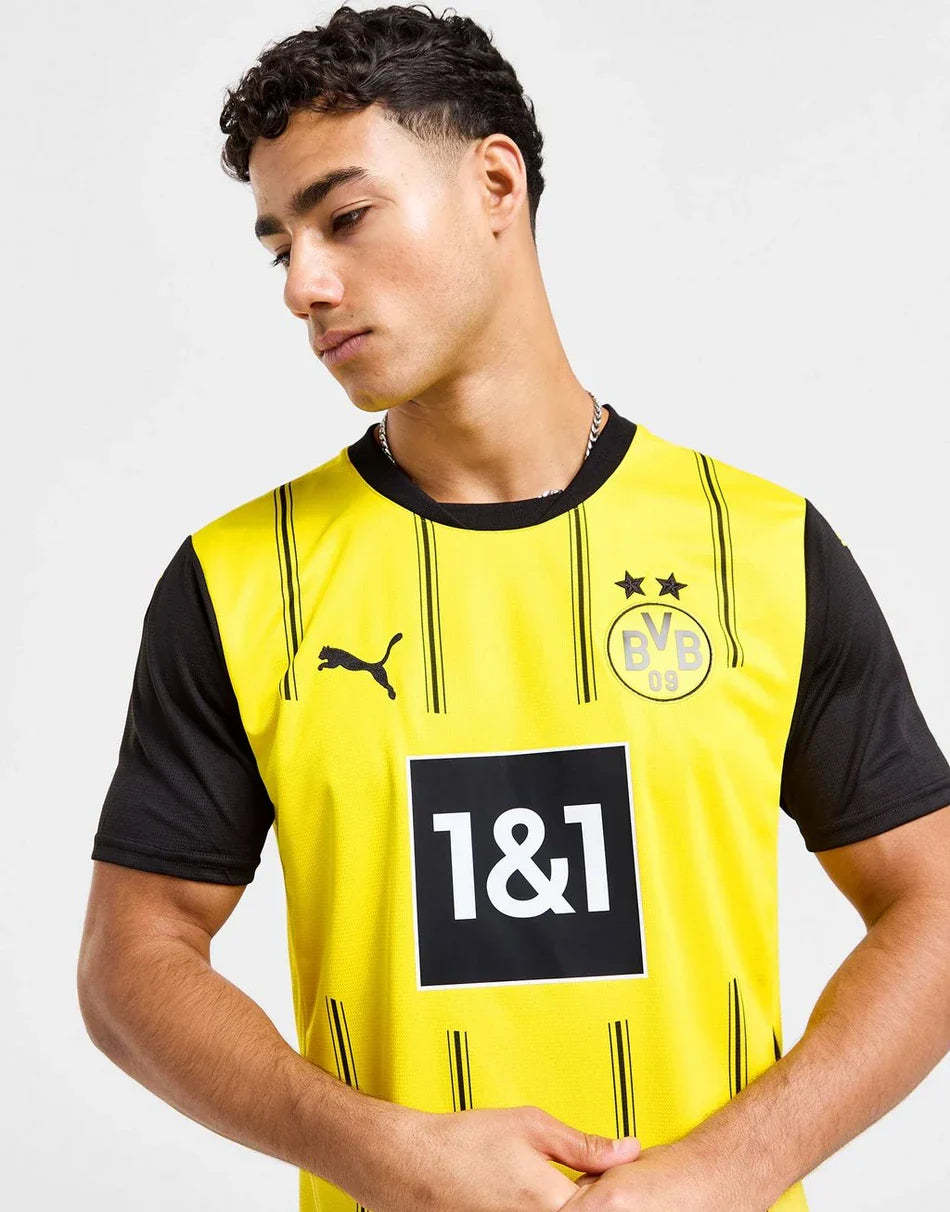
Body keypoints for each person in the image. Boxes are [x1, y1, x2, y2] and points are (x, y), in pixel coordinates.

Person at [77, 6, 950, 1211]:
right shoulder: (236, 581)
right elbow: (131, 961)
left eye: (344, 217)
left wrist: (730, 1168)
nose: (305, 285)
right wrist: (372, 1148)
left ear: (495, 183)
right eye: (280, 247)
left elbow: (932, 903)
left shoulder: (759, 548)